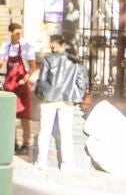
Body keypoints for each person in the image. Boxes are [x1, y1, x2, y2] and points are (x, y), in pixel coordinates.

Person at [32, 34, 88, 171]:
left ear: (60, 44)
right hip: (66, 99)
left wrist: (40, 95)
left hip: (49, 99)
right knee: (66, 132)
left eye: (53, 43)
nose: (51, 45)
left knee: (45, 130)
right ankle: (67, 164)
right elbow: (82, 81)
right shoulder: (74, 61)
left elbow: (41, 80)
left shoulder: (48, 59)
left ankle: (41, 162)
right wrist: (77, 96)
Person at [0, 23, 39, 155]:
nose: (19, 36)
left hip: (22, 84)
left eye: (21, 33)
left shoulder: (27, 47)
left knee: (25, 116)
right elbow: (0, 62)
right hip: (10, 85)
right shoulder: (5, 46)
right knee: (10, 115)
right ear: (10, 33)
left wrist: (25, 79)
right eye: (16, 33)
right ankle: (12, 142)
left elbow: (32, 66)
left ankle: (26, 143)